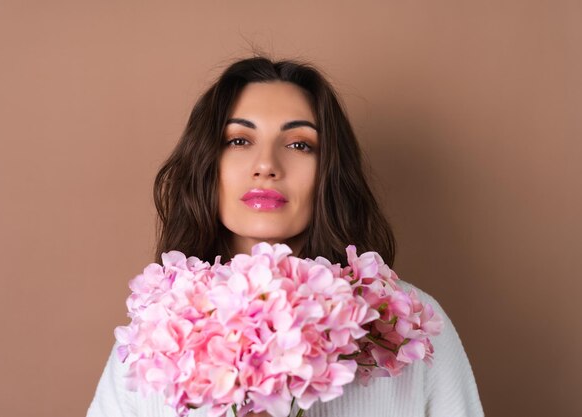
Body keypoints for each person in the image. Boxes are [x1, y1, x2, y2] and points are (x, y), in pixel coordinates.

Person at [87, 57, 484, 417]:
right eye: (239, 140)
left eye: (299, 144)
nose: (266, 165)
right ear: (207, 165)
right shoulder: (155, 337)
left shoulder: (405, 324)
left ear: (329, 171)